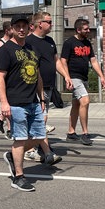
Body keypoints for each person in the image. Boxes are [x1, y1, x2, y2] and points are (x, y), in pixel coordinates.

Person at [0, 15, 62, 192]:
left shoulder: (32, 48)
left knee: (39, 136)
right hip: (16, 102)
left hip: (33, 101)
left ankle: (12, 156)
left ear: (29, 28)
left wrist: (41, 98)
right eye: (17, 26)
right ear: (11, 29)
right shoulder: (6, 49)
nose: (21, 29)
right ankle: (18, 176)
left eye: (24, 26)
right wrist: (4, 103)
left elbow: (38, 75)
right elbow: (0, 77)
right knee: (20, 138)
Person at [59, 18, 105, 146]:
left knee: (76, 105)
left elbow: (93, 61)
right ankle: (85, 133)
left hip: (84, 77)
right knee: (85, 101)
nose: (88, 31)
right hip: (74, 77)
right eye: (85, 29)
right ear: (78, 29)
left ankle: (71, 133)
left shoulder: (87, 43)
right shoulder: (69, 43)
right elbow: (63, 61)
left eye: (88, 28)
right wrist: (67, 77)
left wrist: (102, 76)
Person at [24, 12, 65, 161]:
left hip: (48, 86)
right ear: (40, 23)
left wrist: (66, 76)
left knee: (41, 119)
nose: (51, 24)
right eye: (49, 21)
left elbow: (56, 61)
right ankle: (40, 150)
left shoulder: (50, 41)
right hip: (34, 87)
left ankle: (38, 148)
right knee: (40, 119)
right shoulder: (28, 41)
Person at [0, 21, 14, 138]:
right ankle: (9, 129)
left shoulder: (11, 43)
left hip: (12, 78)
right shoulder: (0, 44)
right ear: (7, 31)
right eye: (12, 29)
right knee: (8, 103)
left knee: (12, 103)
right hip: (3, 78)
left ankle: (0, 119)